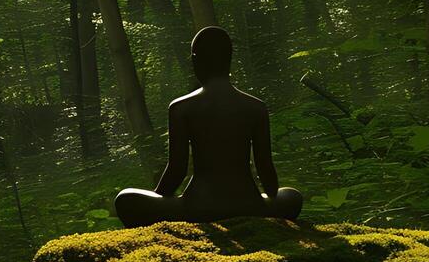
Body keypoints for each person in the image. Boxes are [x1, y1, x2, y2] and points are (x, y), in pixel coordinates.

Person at [114, 26, 304, 228]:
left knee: (125, 199)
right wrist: (270, 199)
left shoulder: (181, 107)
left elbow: (177, 170)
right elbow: (265, 169)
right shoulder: (256, 107)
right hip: (249, 204)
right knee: (292, 196)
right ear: (228, 60)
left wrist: (159, 200)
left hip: (199, 207)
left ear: (196, 60)